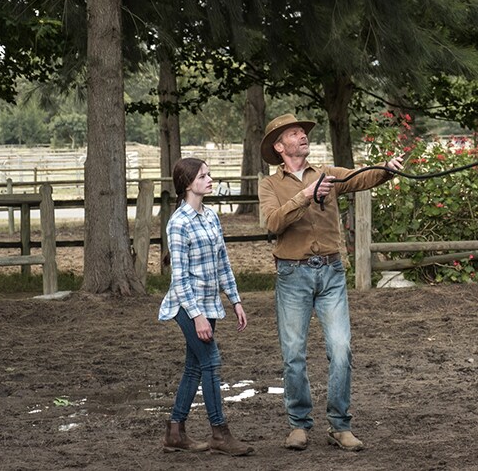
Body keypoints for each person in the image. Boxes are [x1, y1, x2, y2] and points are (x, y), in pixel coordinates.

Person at [258, 113, 403, 452]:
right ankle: (298, 425)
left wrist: (386, 168)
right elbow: (273, 222)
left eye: (302, 132)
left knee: (341, 350)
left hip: (332, 274)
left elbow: (358, 178)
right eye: (294, 134)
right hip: (292, 275)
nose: (302, 136)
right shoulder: (269, 185)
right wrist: (305, 195)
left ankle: (340, 425)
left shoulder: (329, 173)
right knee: (293, 354)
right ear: (280, 147)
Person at [158, 157, 254, 456]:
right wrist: (197, 316)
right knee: (211, 361)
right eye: (203, 176)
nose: (210, 180)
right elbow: (180, 277)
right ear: (188, 184)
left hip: (210, 304)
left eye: (209, 175)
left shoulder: (211, 217)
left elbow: (223, 263)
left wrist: (235, 300)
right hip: (187, 306)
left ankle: (175, 432)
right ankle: (219, 433)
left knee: (194, 368)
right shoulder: (178, 223)